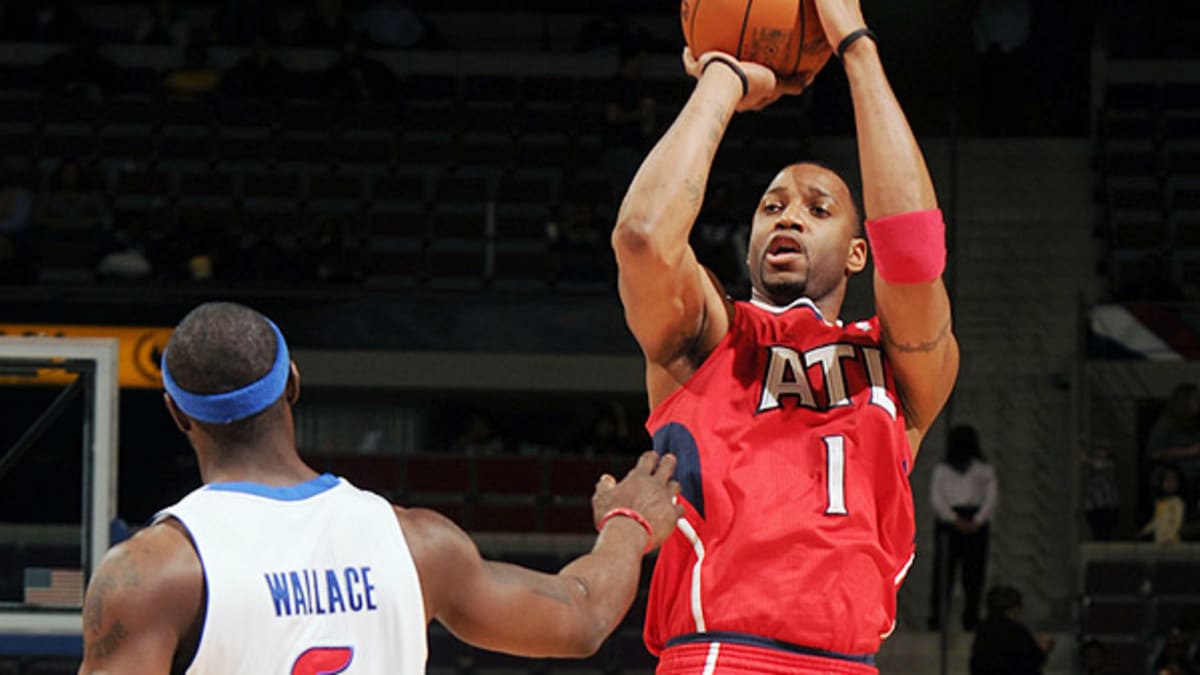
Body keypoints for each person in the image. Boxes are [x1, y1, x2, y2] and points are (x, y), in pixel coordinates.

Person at [610, 0, 959, 670]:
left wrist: (855, 46)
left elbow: (914, 255)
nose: (789, 216)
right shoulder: (709, 339)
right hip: (721, 654)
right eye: (772, 206)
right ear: (748, 248)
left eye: (817, 208)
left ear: (859, 253)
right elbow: (643, 236)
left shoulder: (897, 364)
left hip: (849, 661)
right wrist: (724, 76)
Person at [78, 301, 683, 672]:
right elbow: (579, 619)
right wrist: (628, 527)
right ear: (292, 383)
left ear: (178, 415)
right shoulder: (417, 543)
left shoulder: (153, 573)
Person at [928, 424, 999, 631]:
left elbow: (991, 498)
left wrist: (978, 520)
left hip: (975, 520)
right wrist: (953, 519)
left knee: (974, 573)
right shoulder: (942, 469)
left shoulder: (983, 469)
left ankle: (971, 617)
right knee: (944, 573)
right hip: (949, 522)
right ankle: (938, 617)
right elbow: (936, 498)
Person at [968, 585, 1053, 675]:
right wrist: (1044, 647)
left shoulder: (983, 630)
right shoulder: (1017, 631)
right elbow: (1037, 659)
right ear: (1016, 608)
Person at [1139, 464, 1186, 544]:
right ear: (1161, 482)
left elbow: (1178, 522)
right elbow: (1156, 521)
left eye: (1173, 480)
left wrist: (1170, 537)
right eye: (1167, 479)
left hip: (1172, 542)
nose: (1170, 483)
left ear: (1178, 483)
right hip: (1159, 541)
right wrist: (1144, 531)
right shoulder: (1159, 503)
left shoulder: (1177, 502)